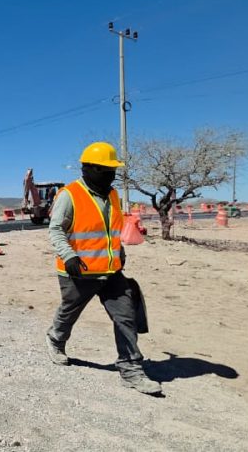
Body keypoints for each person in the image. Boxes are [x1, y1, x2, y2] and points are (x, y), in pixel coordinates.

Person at [45, 141, 161, 395]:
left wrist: (119, 252)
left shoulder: (113, 195)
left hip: (111, 271)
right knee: (70, 311)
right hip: (79, 271)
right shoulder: (69, 195)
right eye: (106, 169)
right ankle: (56, 339)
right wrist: (69, 256)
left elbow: (111, 230)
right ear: (88, 168)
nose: (111, 174)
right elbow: (55, 230)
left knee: (126, 316)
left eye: (113, 170)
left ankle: (131, 369)